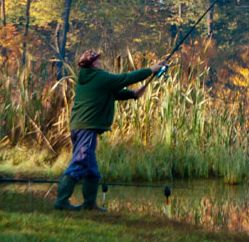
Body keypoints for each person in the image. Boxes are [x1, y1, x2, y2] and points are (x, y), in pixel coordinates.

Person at [54, 50, 166, 212]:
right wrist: (151, 70)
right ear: (93, 63)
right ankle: (62, 201)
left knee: (91, 170)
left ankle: (89, 204)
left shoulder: (88, 79)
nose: (101, 61)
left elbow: (112, 93)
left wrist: (133, 94)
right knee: (79, 162)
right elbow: (124, 79)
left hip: (80, 126)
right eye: (99, 59)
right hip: (87, 127)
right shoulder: (98, 77)